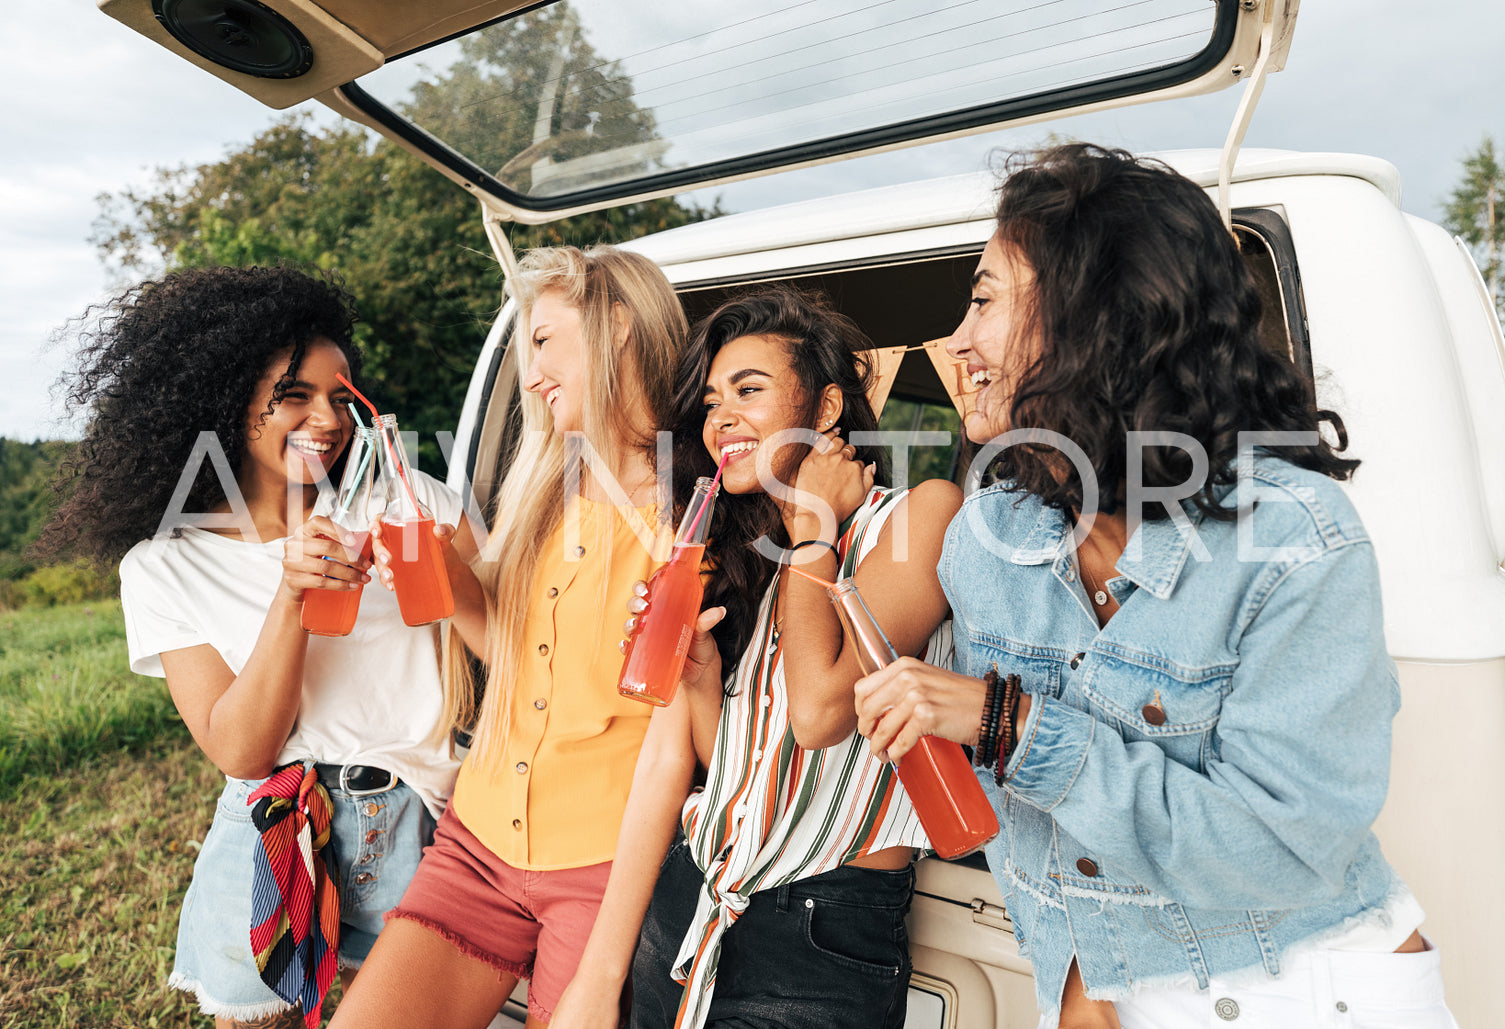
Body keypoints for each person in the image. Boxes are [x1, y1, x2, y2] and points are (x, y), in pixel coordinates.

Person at [852, 144, 1459, 1029]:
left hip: (1310, 981)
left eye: (983, 298)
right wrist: (1081, 984)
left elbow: (1282, 850)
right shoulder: (991, 536)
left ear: (1097, 313)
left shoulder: (1291, 538)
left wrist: (1011, 723)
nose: (957, 342)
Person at [42, 264, 477, 1029]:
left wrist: (449, 569)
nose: (328, 418)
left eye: (342, 397)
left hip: (417, 822)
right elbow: (240, 748)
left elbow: (508, 644)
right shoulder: (164, 564)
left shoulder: (407, 505)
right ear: (226, 396)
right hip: (273, 828)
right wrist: (291, 596)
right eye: (295, 394)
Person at [548, 287, 963, 1029]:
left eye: (748, 390)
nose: (720, 419)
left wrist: (814, 531)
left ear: (829, 407)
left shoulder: (917, 515)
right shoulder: (752, 556)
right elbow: (741, 767)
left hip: (821, 926)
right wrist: (703, 679)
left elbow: (818, 713)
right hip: (693, 893)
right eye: (710, 403)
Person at [327, 245, 688, 1029]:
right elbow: (513, 652)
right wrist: (450, 585)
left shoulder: (689, 517)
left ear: (618, 325)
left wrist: (604, 968)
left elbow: (672, 747)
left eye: (544, 340)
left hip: (601, 872)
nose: (530, 375)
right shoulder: (545, 493)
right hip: (477, 841)